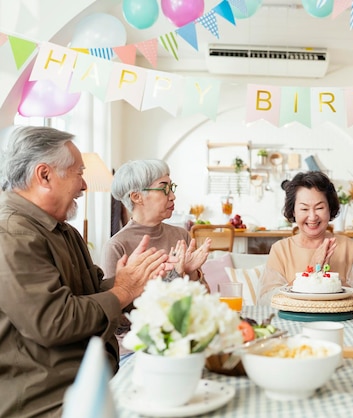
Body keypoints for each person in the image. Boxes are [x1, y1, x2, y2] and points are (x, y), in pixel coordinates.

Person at [0, 126, 172, 417]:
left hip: (93, 381)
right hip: (49, 400)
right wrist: (123, 290)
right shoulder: (12, 233)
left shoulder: (63, 231)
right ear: (44, 175)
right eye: (79, 173)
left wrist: (134, 281)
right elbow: (53, 321)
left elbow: (93, 293)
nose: (84, 185)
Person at [103, 159, 211, 360]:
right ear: (137, 197)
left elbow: (203, 300)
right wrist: (174, 275)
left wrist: (192, 273)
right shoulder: (117, 246)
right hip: (138, 349)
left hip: (185, 342)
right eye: (164, 189)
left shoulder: (181, 235)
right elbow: (118, 321)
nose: (173, 195)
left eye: (172, 187)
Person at [258, 171, 353, 306]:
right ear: (293, 211)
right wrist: (310, 271)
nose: (312, 217)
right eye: (304, 209)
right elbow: (265, 301)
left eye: (319, 208)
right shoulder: (280, 249)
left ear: (330, 209)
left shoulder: (347, 246)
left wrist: (331, 281)